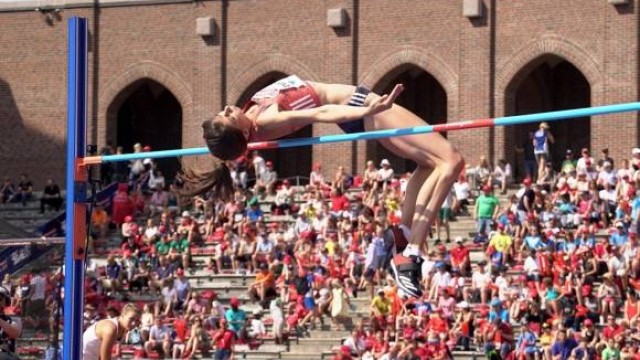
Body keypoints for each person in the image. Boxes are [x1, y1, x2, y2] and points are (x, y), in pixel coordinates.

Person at [178, 75, 464, 299]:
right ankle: (412, 254)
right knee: (451, 161)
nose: (229, 107)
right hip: (360, 107)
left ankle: (402, 235)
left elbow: (236, 144)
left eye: (224, 110)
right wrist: (368, 108)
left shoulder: (251, 119)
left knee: (428, 165)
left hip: (359, 110)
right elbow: (320, 112)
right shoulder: (266, 119)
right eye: (228, 114)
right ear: (240, 131)